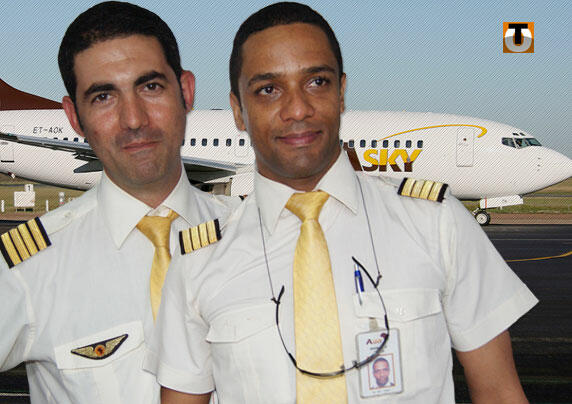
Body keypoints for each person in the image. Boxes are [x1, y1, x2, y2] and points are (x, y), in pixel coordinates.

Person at [146, 2, 537, 403]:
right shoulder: (197, 259)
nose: (297, 109)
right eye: (268, 89)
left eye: (316, 82)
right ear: (238, 111)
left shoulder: (439, 225)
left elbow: (500, 393)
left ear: (341, 93)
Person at [0, 2, 237, 403]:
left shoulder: (255, 239)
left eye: (151, 87)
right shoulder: (28, 268)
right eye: (104, 96)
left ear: (186, 92)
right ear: (75, 118)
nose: (134, 119)